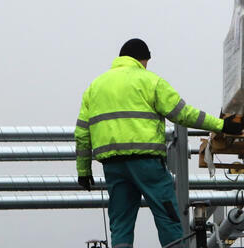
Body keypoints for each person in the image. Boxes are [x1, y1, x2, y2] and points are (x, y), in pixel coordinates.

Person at [74, 38, 243, 248]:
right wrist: (222, 125)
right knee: (168, 217)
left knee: (121, 223)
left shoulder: (95, 87)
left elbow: (82, 133)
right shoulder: (150, 81)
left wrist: (83, 170)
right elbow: (183, 114)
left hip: (114, 166)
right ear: (143, 59)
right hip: (146, 163)